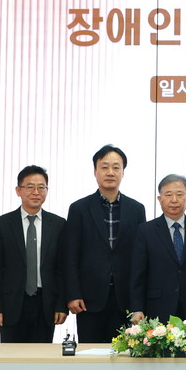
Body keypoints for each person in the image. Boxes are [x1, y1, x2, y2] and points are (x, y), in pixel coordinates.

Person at [63, 145, 146, 342]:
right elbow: (70, 256)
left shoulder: (136, 209)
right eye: (104, 167)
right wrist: (73, 294)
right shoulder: (79, 209)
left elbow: (140, 259)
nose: (110, 172)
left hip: (124, 300)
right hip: (88, 300)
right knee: (89, 354)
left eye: (116, 167)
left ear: (123, 172)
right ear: (95, 171)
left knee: (125, 353)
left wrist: (138, 302)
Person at [0, 166, 67, 342]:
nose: (36, 192)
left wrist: (62, 305)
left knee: (41, 356)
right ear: (18, 190)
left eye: (41, 187)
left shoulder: (59, 225)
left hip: (45, 304)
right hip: (11, 304)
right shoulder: (2, 224)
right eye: (30, 187)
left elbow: (62, 269)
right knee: (12, 356)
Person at [130, 175, 186, 326]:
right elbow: (138, 274)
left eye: (179, 194)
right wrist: (137, 308)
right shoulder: (146, 231)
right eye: (168, 195)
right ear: (160, 199)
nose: (174, 200)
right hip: (156, 306)